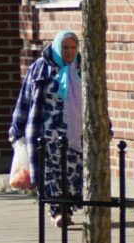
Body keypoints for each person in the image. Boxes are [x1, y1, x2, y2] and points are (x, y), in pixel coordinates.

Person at [7, 31, 84, 217]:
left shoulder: (81, 67)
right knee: (49, 173)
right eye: (65, 48)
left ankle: (68, 209)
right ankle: (57, 212)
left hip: (74, 131)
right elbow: (25, 99)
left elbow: (96, 100)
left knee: (71, 172)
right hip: (46, 132)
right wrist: (17, 129)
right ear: (57, 47)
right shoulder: (41, 68)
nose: (69, 52)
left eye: (73, 48)